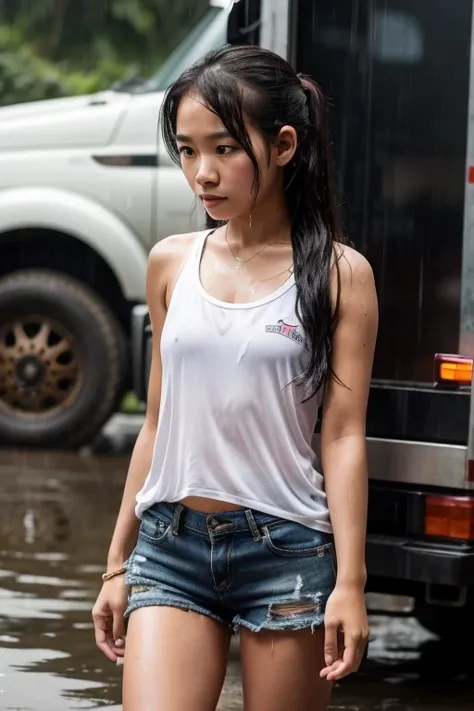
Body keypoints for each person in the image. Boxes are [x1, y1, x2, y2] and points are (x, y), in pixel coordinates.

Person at [92, 44, 378, 711]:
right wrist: (116, 561)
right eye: (188, 151)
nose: (202, 173)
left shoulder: (341, 277)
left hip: (286, 550)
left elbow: (341, 438)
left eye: (222, 148)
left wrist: (352, 582)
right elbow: (157, 422)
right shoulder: (170, 264)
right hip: (171, 546)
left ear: (282, 145)